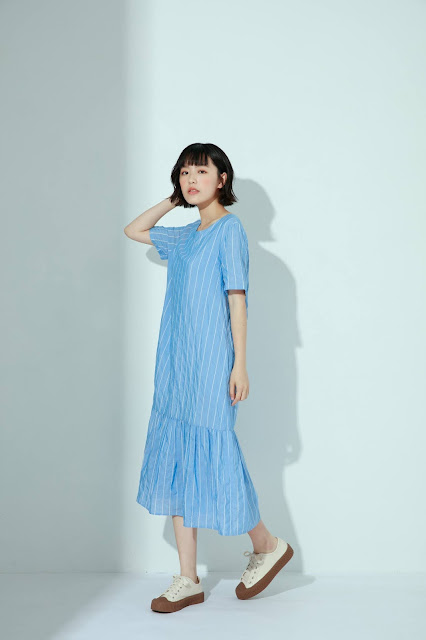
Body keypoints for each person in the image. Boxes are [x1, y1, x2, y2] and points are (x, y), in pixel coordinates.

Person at [124, 142, 294, 613]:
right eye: (184, 173)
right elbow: (134, 229)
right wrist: (173, 200)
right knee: (179, 458)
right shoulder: (183, 236)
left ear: (223, 179)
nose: (191, 179)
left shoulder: (229, 231)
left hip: (211, 362)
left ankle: (266, 544)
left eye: (201, 171)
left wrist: (239, 363)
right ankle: (187, 579)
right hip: (174, 364)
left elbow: (237, 300)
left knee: (217, 453)